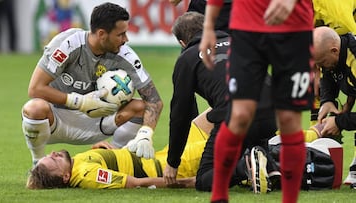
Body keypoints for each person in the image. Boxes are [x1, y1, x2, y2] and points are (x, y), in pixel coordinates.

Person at [21, 2, 163, 166]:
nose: (126, 39)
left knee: (141, 107)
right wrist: (79, 102)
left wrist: (145, 133)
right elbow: (35, 88)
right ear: (102, 34)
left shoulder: (126, 55)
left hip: (97, 122)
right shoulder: (67, 44)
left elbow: (154, 100)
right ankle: (38, 163)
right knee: (34, 108)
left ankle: (112, 159)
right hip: (56, 120)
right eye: (121, 34)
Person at [199, 0, 314, 202]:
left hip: (294, 28)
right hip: (247, 28)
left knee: (289, 120)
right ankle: (218, 196)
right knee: (240, 115)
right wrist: (209, 25)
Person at [163, 12, 277, 193]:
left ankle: (245, 167)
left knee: (204, 179)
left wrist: (173, 162)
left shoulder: (188, 57)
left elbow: (180, 115)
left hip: (234, 117)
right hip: (271, 113)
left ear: (182, 43)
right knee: (255, 145)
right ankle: (271, 168)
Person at [26, 112, 211, 190]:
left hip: (163, 155)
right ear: (66, 177)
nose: (53, 154)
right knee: (227, 137)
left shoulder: (77, 163)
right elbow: (135, 182)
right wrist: (186, 182)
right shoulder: (86, 175)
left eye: (49, 156)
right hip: (170, 166)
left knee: (217, 111)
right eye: (54, 161)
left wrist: (104, 152)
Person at [313, 26, 356, 185]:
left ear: (334, 50)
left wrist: (339, 122)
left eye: (323, 62)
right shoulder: (335, 55)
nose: (322, 67)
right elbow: (327, 75)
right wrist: (327, 100)